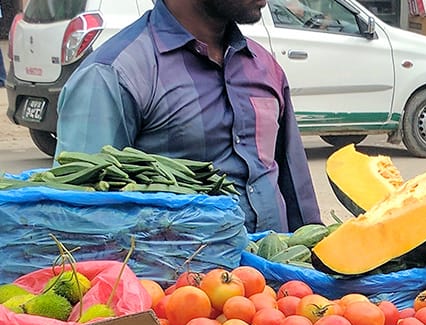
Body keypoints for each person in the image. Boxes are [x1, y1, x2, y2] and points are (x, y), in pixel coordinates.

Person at [55, 0, 322, 234]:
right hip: (177, 286)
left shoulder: (264, 67)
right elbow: (80, 220)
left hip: (277, 285)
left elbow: (297, 196)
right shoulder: (113, 74)